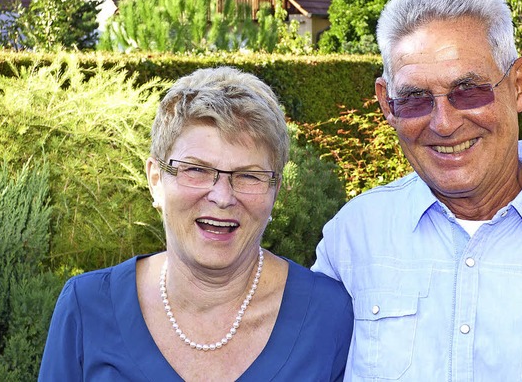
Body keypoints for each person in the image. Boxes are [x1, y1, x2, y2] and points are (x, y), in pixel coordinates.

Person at [312, 0, 522, 380]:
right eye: (415, 98)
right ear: (387, 104)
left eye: (468, 91)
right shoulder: (354, 237)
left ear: (520, 85)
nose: (444, 123)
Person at [39, 66, 353, 381]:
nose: (222, 196)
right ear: (155, 179)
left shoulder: (329, 317)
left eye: (248, 175)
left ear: (276, 190)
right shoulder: (86, 308)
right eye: (196, 170)